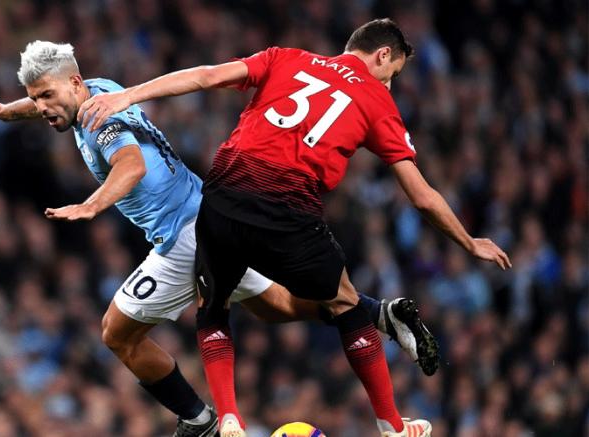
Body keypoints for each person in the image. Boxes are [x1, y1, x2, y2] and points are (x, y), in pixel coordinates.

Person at [0, 40, 439, 437]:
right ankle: (380, 313)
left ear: (74, 84)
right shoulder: (102, 90)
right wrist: (5, 112)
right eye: (35, 99)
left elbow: (130, 165)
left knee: (117, 333)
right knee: (275, 306)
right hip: (207, 208)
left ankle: (198, 419)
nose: (42, 108)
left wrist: (92, 205)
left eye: (46, 96)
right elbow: (47, 102)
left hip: (183, 236)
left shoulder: (100, 124)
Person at [77, 18, 513, 437]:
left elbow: (207, 76)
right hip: (287, 213)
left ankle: (229, 420)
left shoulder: (287, 57)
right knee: (344, 303)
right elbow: (421, 196)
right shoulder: (377, 101)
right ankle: (393, 426)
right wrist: (468, 241)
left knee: (216, 305)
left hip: (223, 196)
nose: (389, 85)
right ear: (382, 55)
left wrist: (128, 95)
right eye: (393, 74)